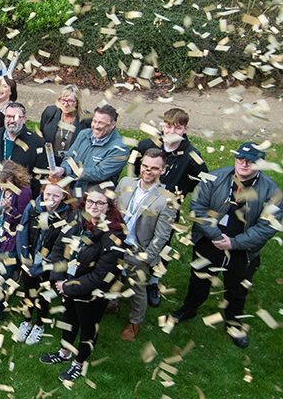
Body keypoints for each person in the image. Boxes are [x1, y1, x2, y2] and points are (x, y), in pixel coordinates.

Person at [170, 142, 282, 348]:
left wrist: (234, 242)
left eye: (250, 161)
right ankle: (190, 307)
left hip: (243, 251)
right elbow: (197, 207)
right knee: (199, 279)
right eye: (240, 159)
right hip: (209, 242)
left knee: (237, 289)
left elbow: (267, 227)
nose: (244, 164)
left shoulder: (272, 192)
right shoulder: (215, 177)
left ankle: (233, 322)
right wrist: (214, 234)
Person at [40, 185, 124, 382]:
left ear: (108, 205)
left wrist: (68, 287)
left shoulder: (114, 234)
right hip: (67, 282)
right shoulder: (77, 217)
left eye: (100, 203)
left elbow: (100, 276)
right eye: (91, 201)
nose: (94, 206)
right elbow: (59, 247)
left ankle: (78, 362)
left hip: (93, 292)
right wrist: (60, 279)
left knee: (87, 326)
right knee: (68, 318)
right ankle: (64, 353)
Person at [132, 107, 207, 306]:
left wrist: (179, 193)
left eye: (177, 127)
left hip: (167, 208)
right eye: (167, 125)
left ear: (185, 129)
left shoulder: (192, 156)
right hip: (142, 200)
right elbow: (135, 167)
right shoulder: (147, 144)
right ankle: (127, 271)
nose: (171, 130)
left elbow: (202, 180)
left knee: (161, 243)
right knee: (134, 234)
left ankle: (153, 282)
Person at [113, 149, 177, 341]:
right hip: (117, 241)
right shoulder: (125, 182)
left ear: (163, 170)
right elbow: (113, 211)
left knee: (137, 289)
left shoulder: (167, 200)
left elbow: (162, 235)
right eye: (145, 166)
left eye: (154, 168)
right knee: (112, 274)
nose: (148, 171)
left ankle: (135, 322)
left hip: (139, 250)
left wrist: (147, 258)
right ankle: (112, 302)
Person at [15, 179, 72, 345]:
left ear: (63, 197)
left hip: (48, 264)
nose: (51, 198)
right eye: (48, 194)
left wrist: (40, 268)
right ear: (42, 192)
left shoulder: (66, 216)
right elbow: (22, 232)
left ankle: (39, 325)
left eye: (56, 195)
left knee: (43, 296)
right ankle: (26, 322)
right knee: (28, 293)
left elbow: (60, 247)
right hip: (30, 259)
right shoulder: (32, 207)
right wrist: (25, 260)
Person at [0, 160, 33, 318]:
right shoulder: (0, 188)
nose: (1, 187)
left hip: (9, 236)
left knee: (2, 272)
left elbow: (23, 219)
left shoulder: (24, 192)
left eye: (4, 184)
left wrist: (10, 209)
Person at [49, 105, 129, 190]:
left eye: (101, 123)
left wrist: (66, 171)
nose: (96, 126)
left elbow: (99, 173)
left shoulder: (120, 149)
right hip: (71, 191)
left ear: (113, 125)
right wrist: (63, 168)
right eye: (94, 121)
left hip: (94, 197)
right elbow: (69, 157)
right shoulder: (84, 134)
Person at [0, 102, 46, 197]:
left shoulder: (37, 143)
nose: (11, 120)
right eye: (8, 116)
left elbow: (38, 178)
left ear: (24, 119)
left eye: (16, 117)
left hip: (18, 198)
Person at [39, 85, 92, 166]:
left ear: (77, 103)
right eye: (63, 100)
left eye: (70, 101)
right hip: (49, 161)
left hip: (73, 164)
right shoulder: (50, 112)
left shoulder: (87, 119)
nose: (66, 104)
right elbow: (41, 134)